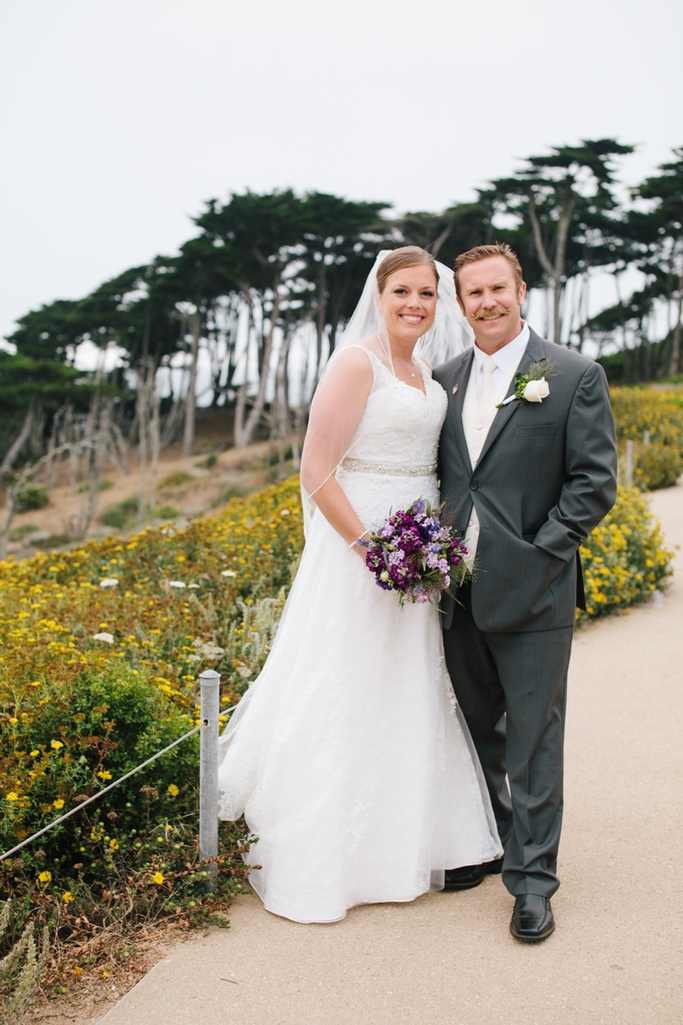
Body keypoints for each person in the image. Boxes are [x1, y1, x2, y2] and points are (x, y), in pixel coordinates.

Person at [217, 247, 502, 924]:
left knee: (406, 685)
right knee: (344, 684)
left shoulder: (427, 370)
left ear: (440, 304)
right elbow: (317, 467)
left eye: (427, 294)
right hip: (361, 549)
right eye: (402, 290)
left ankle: (416, 839)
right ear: (379, 295)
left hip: (416, 547)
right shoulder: (356, 362)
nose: (415, 303)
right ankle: (331, 851)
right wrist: (371, 550)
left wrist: (423, 548)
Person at [433, 243, 617, 942]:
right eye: (472, 292)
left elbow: (592, 482)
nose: (485, 302)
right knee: (476, 728)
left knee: (535, 740)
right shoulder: (442, 378)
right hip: (456, 591)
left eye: (496, 288)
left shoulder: (571, 375)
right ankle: (498, 840)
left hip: (536, 593)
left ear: (521, 290)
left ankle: (533, 881)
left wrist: (541, 553)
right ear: (460, 304)